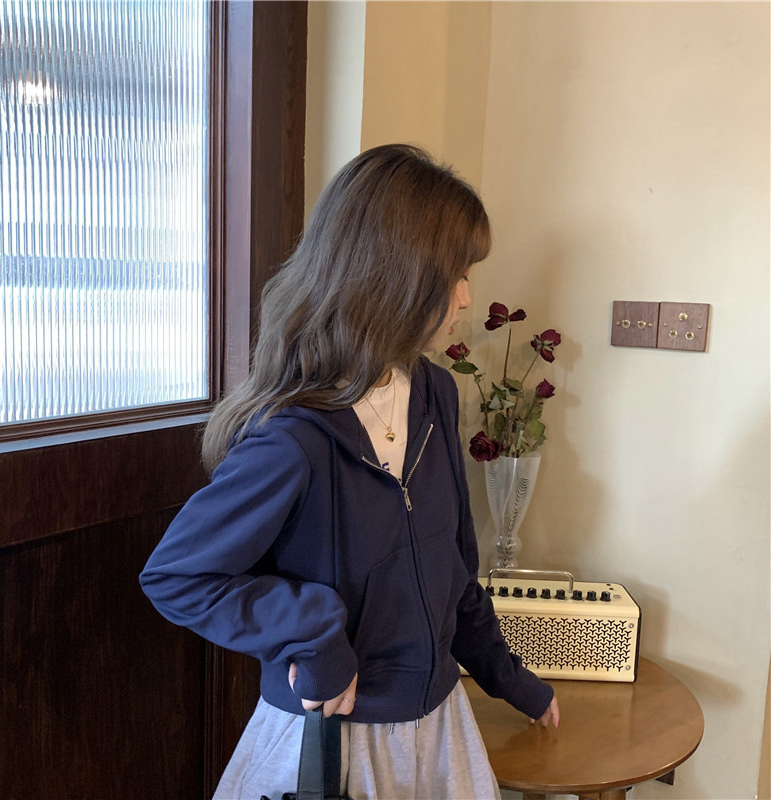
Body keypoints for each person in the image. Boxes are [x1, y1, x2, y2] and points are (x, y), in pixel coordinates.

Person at [139, 143, 559, 800]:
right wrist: (315, 634)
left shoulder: (436, 394)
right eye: (456, 274)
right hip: (334, 745)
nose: (466, 296)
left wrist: (511, 680)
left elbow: (453, 569)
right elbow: (178, 576)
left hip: (438, 731)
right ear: (396, 277)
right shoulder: (294, 437)